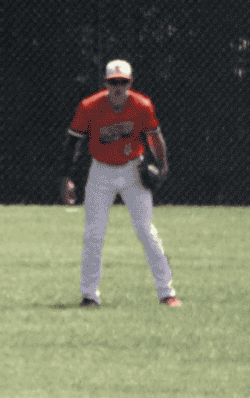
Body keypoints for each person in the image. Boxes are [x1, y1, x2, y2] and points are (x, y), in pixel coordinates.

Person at [58, 59, 180, 308]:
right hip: (101, 171)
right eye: (113, 82)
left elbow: (155, 138)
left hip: (132, 170)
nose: (118, 87)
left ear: (130, 83)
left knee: (146, 231)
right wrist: (67, 177)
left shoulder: (142, 105)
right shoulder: (89, 106)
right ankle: (89, 295)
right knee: (94, 234)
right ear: (105, 83)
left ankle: (167, 292)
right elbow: (73, 144)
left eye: (122, 82)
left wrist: (163, 166)